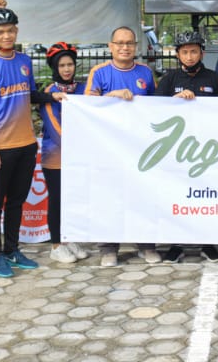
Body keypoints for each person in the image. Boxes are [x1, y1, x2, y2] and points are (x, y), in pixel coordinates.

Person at [0, 8, 67, 278]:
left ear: (16, 31)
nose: (6, 35)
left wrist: (52, 96)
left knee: (17, 201)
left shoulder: (24, 61)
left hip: (26, 145)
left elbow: (30, 94)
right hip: (0, 148)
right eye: (0, 32)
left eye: (10, 30)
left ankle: (12, 249)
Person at [85, 25, 159, 266]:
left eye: (129, 43)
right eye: (120, 43)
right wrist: (112, 96)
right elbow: (86, 106)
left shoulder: (145, 72)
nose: (125, 47)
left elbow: (158, 106)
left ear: (136, 46)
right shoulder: (99, 72)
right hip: (108, 147)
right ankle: (108, 248)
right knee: (109, 197)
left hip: (139, 147)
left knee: (143, 196)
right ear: (111, 46)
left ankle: (146, 245)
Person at [155, 31, 218, 263]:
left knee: (206, 196)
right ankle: (176, 244)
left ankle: (208, 244)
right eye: (184, 52)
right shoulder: (169, 79)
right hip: (177, 149)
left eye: (194, 51)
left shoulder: (214, 78)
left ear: (202, 53)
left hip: (206, 149)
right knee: (177, 195)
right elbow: (154, 109)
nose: (189, 56)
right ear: (177, 55)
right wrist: (173, 101)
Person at [40, 42, 88, 265]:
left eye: (70, 64)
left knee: (73, 199)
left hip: (80, 156)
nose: (67, 69)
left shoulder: (84, 88)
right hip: (56, 156)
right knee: (57, 199)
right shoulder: (49, 92)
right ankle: (56, 245)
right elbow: (53, 126)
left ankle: (70, 239)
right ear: (54, 67)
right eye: (62, 65)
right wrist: (77, 146)